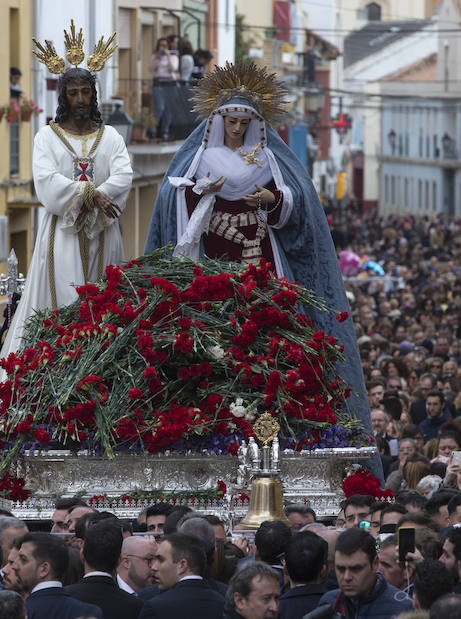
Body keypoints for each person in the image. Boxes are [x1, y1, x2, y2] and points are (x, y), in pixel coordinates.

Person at [144, 62, 376, 473]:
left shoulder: (268, 156)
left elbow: (298, 201)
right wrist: (202, 193)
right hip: (213, 252)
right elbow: (172, 201)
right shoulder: (199, 156)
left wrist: (272, 200)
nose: (235, 129)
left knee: (266, 319)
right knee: (213, 319)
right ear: (220, 121)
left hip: (258, 251)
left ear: (254, 124)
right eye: (230, 121)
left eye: (242, 122)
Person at [0, 62, 132, 400]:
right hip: (62, 234)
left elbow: (124, 174)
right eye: (73, 92)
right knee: (64, 296)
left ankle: (100, 366)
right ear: (63, 96)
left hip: (103, 230)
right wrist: (89, 193)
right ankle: (58, 366)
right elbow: (47, 183)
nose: (80, 99)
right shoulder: (46, 137)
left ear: (94, 94)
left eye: (86, 92)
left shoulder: (110, 136)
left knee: (104, 298)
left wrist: (100, 195)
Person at [308, 527, 412, 618]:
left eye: (356, 569)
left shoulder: (402, 607)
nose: (347, 577)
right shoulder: (329, 602)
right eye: (340, 569)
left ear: (375, 564)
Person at [10, 532, 102, 619]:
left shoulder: (17, 613)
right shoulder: (88, 612)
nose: (14, 566)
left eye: (23, 559)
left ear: (44, 569)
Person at [150, 37, 177, 141]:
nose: (163, 48)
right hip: (158, 83)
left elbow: (172, 69)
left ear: (168, 47)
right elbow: (151, 69)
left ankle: (164, 131)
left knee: (168, 109)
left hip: (170, 83)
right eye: (161, 45)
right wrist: (157, 59)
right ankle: (152, 129)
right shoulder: (155, 56)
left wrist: (168, 56)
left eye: (165, 45)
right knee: (159, 107)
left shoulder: (173, 57)